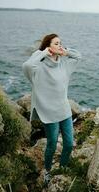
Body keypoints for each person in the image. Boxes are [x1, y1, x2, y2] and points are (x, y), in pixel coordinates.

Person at [22, 33, 82, 187]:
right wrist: (43, 53)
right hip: (48, 111)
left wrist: (66, 52)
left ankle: (61, 168)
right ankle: (48, 171)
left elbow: (78, 57)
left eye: (61, 43)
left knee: (69, 143)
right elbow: (27, 66)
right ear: (48, 46)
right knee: (52, 144)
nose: (60, 45)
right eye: (56, 43)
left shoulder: (64, 64)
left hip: (64, 110)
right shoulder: (39, 67)